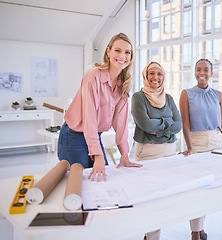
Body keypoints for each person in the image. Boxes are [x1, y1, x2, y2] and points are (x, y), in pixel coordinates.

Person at [58, 33, 142, 182]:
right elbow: (89, 118)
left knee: (103, 178)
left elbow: (120, 123)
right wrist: (98, 156)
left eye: (127, 52)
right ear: (108, 52)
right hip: (74, 136)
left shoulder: (124, 83)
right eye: (117, 50)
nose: (122, 55)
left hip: (95, 135)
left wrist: (124, 154)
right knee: (78, 183)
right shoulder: (93, 76)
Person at [179, 58, 222, 240]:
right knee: (198, 189)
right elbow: (185, 124)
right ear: (194, 72)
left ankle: (200, 227)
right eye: (198, 69)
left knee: (210, 189)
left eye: (206, 70)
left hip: (217, 144)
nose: (202, 73)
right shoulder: (186, 94)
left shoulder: (219, 95)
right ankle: (195, 232)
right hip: (198, 143)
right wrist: (190, 146)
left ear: (212, 73)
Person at [131, 61, 182, 240]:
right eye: (151, 73)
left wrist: (159, 126)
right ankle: (151, 236)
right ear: (145, 76)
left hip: (169, 152)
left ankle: (152, 235)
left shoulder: (168, 98)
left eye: (159, 74)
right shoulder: (139, 97)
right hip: (148, 151)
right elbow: (144, 124)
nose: (155, 77)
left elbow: (179, 125)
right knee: (150, 198)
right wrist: (167, 125)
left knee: (164, 197)